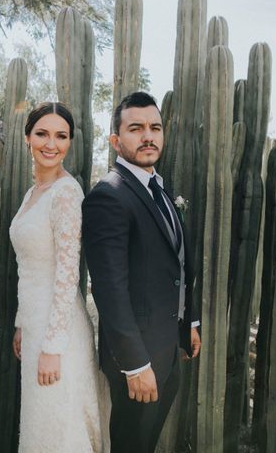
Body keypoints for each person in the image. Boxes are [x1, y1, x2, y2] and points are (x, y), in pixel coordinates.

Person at [82, 91, 202, 453]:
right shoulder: (109, 195)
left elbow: (177, 263)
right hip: (137, 359)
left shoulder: (161, 191)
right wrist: (135, 365)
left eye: (155, 127)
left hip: (169, 349)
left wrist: (190, 323)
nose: (148, 135)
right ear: (116, 141)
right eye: (136, 128)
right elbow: (109, 288)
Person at [10, 102, 104, 453]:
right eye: (42, 134)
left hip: (59, 337)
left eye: (61, 136)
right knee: (41, 430)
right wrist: (22, 323)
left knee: (60, 433)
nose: (51, 144)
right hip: (35, 328)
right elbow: (29, 269)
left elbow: (68, 274)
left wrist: (52, 348)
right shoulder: (31, 194)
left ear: (69, 143)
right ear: (28, 138)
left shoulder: (67, 193)